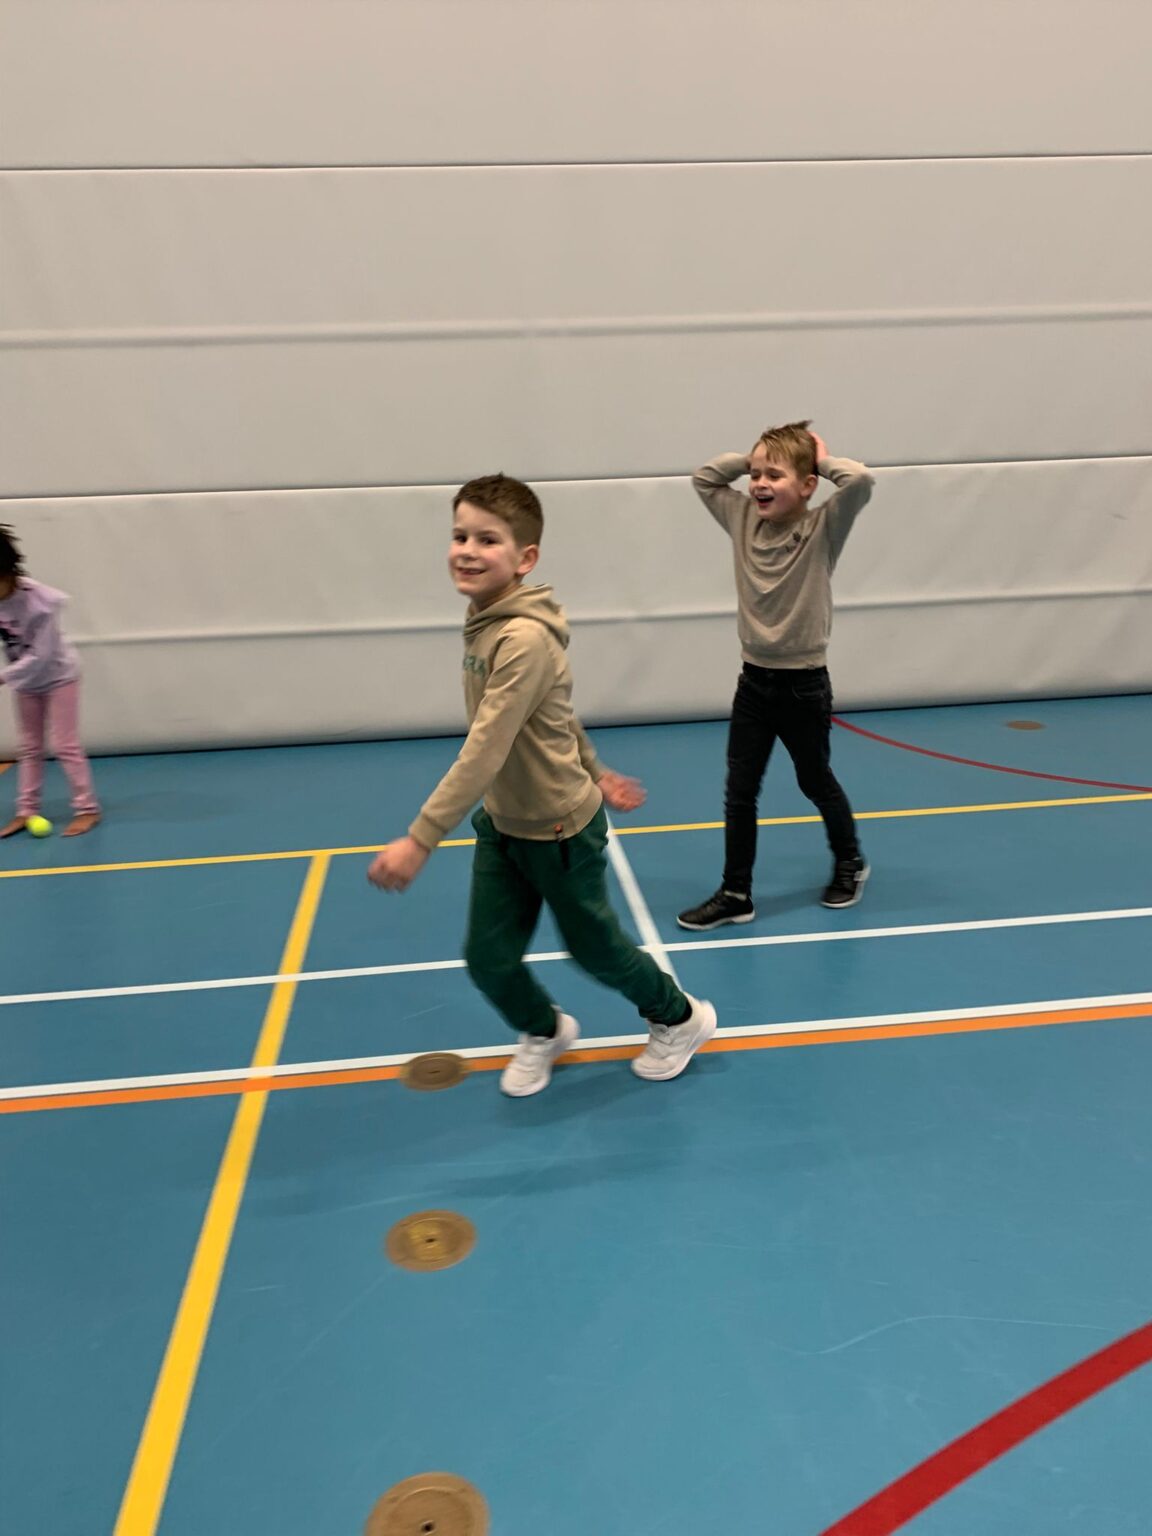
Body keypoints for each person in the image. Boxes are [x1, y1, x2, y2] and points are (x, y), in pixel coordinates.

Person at [368, 473, 716, 1096]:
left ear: (525, 557)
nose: (468, 550)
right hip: (503, 823)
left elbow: (486, 746)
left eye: (488, 539)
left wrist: (420, 839)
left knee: (596, 950)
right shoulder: (487, 618)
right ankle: (545, 1029)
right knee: (488, 958)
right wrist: (598, 768)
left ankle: (681, 1017)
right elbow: (553, 715)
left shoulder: (523, 637)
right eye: (459, 535)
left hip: (557, 831)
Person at [677, 422, 874, 930]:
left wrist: (820, 460)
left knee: (814, 779)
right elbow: (703, 479)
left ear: (808, 486)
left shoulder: (823, 526)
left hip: (804, 683)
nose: (760, 484)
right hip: (754, 683)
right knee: (739, 790)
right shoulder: (741, 517)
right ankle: (736, 892)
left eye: (775, 476)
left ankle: (850, 860)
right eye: (755, 475)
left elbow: (861, 481)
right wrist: (753, 461)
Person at [0, 525, 101, 838]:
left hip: (59, 676)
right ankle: (26, 810)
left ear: (10, 574)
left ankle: (87, 808)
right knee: (29, 747)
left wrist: (3, 677)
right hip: (26, 681)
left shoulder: (40, 601)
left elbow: (41, 656)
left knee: (65, 745)